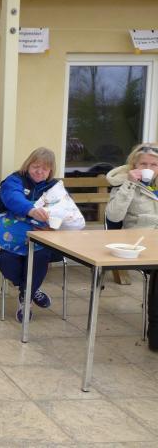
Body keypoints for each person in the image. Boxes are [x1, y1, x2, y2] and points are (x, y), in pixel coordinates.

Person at [0, 147, 60, 323]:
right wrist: (31, 210)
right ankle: (30, 290)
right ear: (28, 165)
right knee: (5, 259)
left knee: (41, 254)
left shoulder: (55, 186)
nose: (39, 171)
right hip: (12, 233)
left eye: (45, 169)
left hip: (41, 235)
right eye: (35, 166)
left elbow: (64, 208)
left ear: (50, 171)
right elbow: (13, 198)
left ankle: (26, 296)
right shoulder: (15, 180)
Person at [105, 142, 158, 349]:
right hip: (139, 244)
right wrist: (129, 185)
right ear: (134, 165)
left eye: (154, 164)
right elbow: (113, 216)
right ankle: (155, 335)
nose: (148, 168)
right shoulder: (123, 184)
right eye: (143, 164)